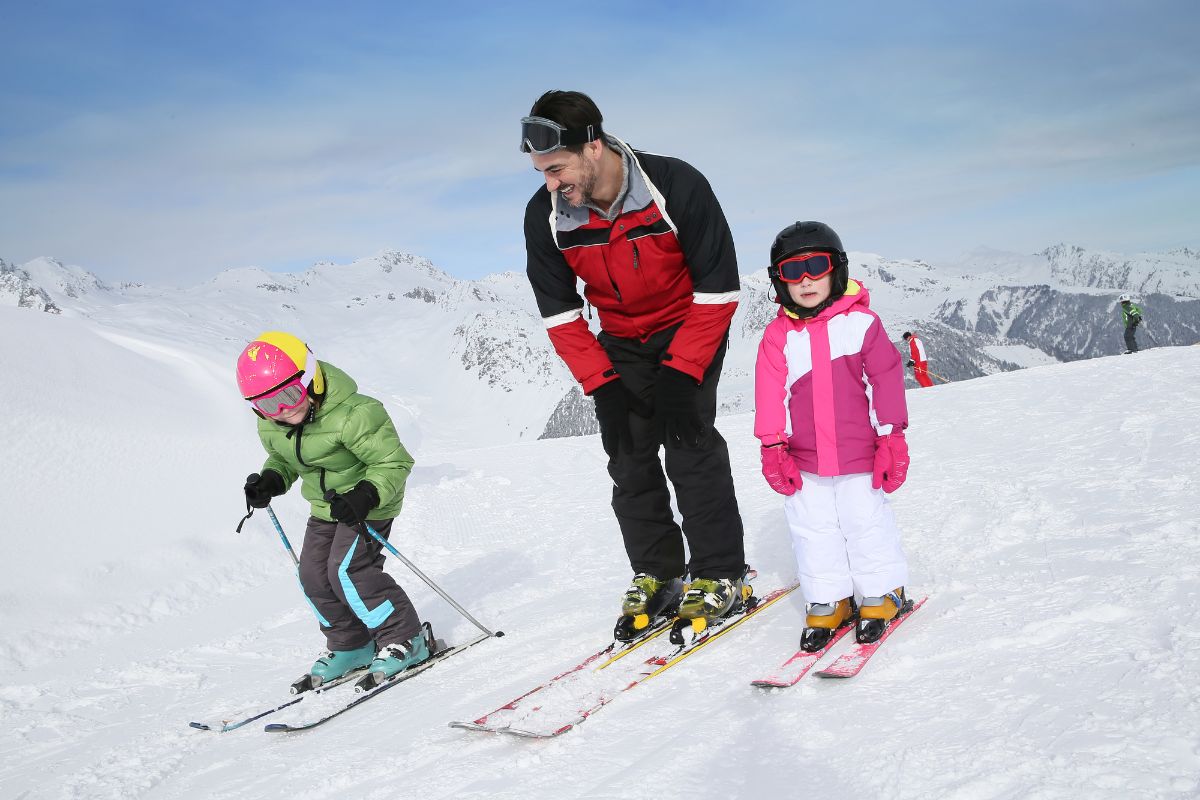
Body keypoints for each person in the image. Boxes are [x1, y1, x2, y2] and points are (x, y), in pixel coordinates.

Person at [520, 90, 746, 635]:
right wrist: (603, 385)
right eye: (542, 172)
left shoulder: (674, 185)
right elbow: (560, 313)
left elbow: (718, 287)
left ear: (592, 146)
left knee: (689, 446)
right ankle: (659, 572)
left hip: (689, 322)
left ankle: (719, 574)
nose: (551, 183)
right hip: (621, 338)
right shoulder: (547, 215)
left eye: (557, 168)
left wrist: (682, 369)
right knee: (629, 456)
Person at [236, 331, 430, 687]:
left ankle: (405, 637)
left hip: (369, 504)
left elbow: (394, 463)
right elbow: (285, 458)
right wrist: (271, 480)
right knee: (311, 574)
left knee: (348, 570)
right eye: (268, 405)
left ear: (312, 379)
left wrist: (367, 494)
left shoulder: (356, 413)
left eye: (290, 395)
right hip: (326, 509)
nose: (284, 411)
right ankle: (351, 643)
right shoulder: (275, 424)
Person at [754, 221, 913, 648]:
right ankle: (829, 599)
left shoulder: (862, 324)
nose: (806, 280)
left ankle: (882, 592)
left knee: (865, 521)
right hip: (804, 459)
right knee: (812, 527)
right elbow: (770, 394)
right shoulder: (778, 336)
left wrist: (891, 438)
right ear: (779, 281)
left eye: (816, 266)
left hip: (860, 452)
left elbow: (886, 379)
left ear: (836, 270)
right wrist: (772, 446)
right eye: (792, 271)